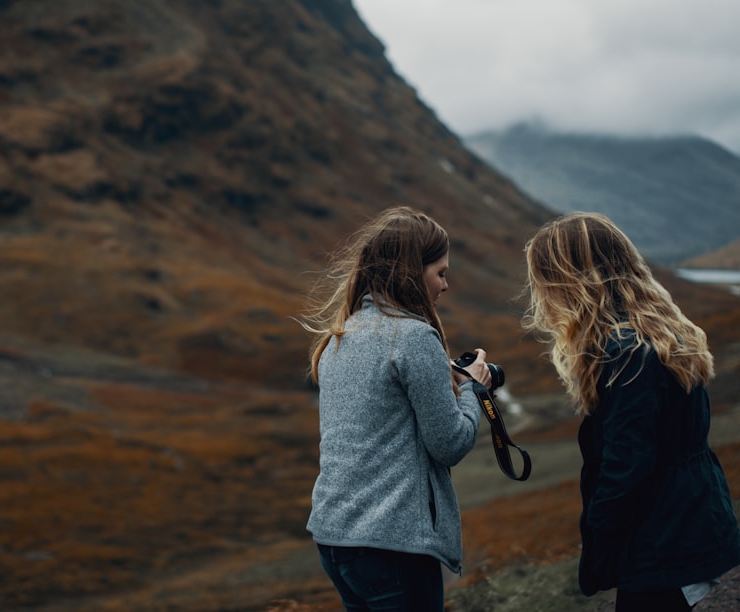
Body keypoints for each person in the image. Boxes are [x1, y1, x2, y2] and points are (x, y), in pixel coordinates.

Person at [523, 212, 740, 611]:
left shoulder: (625, 354)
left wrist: (600, 535)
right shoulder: (662, 333)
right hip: (690, 521)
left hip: (663, 539)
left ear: (569, 281)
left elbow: (628, 465)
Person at [300, 206, 490, 611]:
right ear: (410, 271)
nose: (446, 285)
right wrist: (474, 389)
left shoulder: (340, 334)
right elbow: (450, 444)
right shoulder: (413, 337)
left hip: (336, 540)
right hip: (392, 546)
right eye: (440, 272)